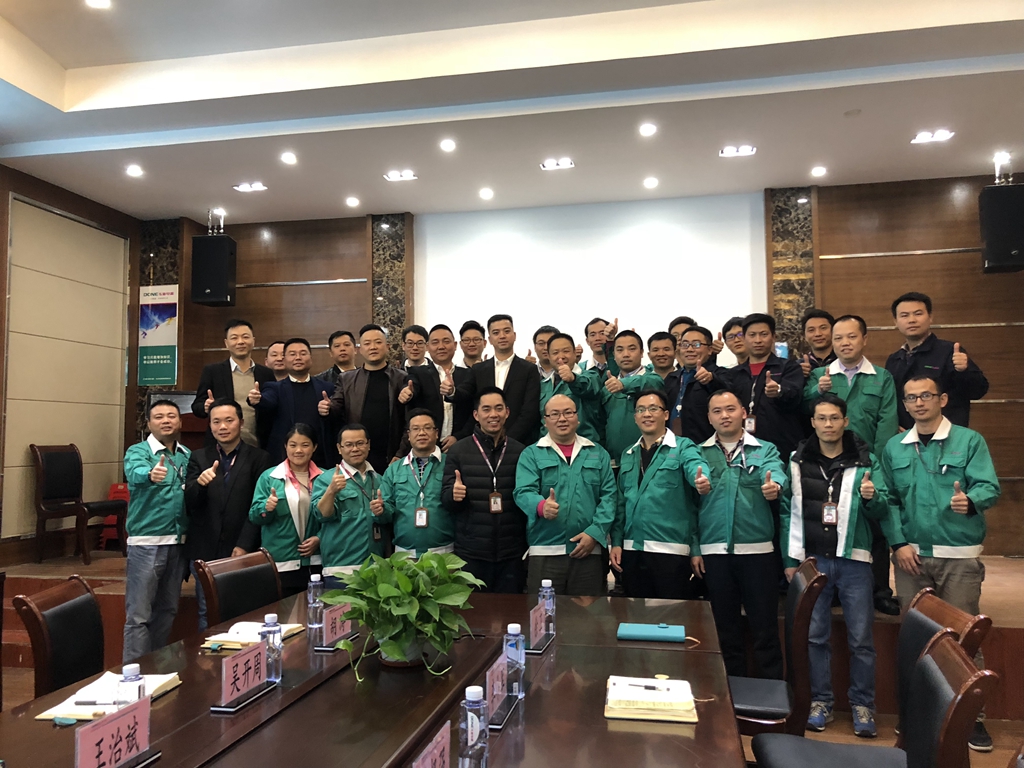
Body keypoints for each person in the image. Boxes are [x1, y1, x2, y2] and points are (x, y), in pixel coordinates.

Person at [881, 375, 1001, 752]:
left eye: (926, 396)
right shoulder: (895, 447)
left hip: (958, 556)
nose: (918, 403)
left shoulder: (969, 440)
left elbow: (989, 486)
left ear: (942, 399)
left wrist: (972, 500)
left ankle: (971, 720)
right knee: (915, 640)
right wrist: (898, 543)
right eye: (911, 398)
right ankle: (915, 715)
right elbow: (888, 499)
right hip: (911, 558)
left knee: (963, 639)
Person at [781, 393, 890, 738]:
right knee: (815, 638)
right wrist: (790, 560)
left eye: (834, 418)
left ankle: (863, 705)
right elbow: (787, 511)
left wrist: (873, 498)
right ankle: (821, 702)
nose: (828, 424)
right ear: (813, 422)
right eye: (821, 418)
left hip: (854, 561)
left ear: (845, 421)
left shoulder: (866, 460)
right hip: (813, 560)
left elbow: (882, 509)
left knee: (861, 640)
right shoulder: (797, 460)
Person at [804, 314, 901, 615]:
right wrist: (817, 391)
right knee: (831, 525)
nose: (844, 343)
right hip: (829, 464)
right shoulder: (820, 375)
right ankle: (833, 588)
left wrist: (875, 464)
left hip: (865, 463)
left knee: (873, 526)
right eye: (838, 338)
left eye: (851, 336)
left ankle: (880, 590)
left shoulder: (881, 377)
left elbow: (887, 424)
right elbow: (806, 412)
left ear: (864, 339)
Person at [690, 390, 786, 679]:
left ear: (743, 412)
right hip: (714, 553)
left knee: (765, 629)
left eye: (730, 409)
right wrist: (695, 548)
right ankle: (731, 692)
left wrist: (774, 486)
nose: (725, 415)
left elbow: (775, 472)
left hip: (757, 553)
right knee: (725, 630)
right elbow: (689, 508)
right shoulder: (697, 453)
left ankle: (771, 694)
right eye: (717, 411)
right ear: (709, 418)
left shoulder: (764, 449)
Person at [184, 398, 273, 630]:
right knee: (207, 612)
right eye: (216, 422)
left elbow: (258, 505)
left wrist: (244, 544)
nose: (222, 426)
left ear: (241, 423)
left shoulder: (259, 458)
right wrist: (199, 484)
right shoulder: (198, 457)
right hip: (205, 549)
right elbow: (190, 503)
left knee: (243, 612)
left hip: (241, 550)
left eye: (229, 420)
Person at [514, 394, 617, 595]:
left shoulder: (597, 453)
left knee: (589, 613)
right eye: (554, 414)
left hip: (589, 551)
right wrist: (541, 506)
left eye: (568, 413)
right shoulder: (531, 454)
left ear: (578, 418)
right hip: (546, 550)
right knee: (545, 612)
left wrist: (595, 533)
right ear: (545, 421)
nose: (562, 419)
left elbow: (609, 497)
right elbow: (523, 491)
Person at [609, 390, 704, 599]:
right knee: (634, 614)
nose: (647, 414)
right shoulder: (629, 454)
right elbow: (621, 504)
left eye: (653, 408)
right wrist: (616, 541)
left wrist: (701, 479)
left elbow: (696, 469)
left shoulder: (683, 447)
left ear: (666, 414)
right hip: (632, 550)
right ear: (635, 417)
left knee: (671, 614)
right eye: (641, 410)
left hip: (670, 551)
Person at [122, 400, 191, 662]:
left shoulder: (186, 454)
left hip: (178, 542)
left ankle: (155, 667)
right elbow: (134, 472)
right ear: (149, 423)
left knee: (168, 609)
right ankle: (134, 672)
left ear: (180, 422)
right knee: (139, 616)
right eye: (159, 416)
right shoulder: (138, 451)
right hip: (146, 543)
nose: (166, 420)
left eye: (171, 416)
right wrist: (150, 474)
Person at [440, 387, 528, 593]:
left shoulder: (521, 451)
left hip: (511, 552)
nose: (493, 414)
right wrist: (454, 496)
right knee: (475, 611)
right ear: (476, 415)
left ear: (507, 412)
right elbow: (445, 499)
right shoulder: (459, 451)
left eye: (498, 408)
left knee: (511, 610)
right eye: (486, 409)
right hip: (471, 552)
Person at [885, 291, 989, 429]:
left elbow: (978, 391)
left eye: (918, 314)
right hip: (907, 436)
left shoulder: (949, 351)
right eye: (904, 315)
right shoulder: (894, 360)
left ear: (930, 317)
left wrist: (964, 371)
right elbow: (891, 402)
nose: (912, 320)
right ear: (895, 321)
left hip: (947, 435)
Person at [719, 313, 806, 463]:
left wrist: (779, 391)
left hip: (782, 446)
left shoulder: (788, 367)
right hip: (743, 447)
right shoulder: (734, 374)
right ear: (745, 338)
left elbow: (795, 396)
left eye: (764, 334)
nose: (758, 340)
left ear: (773, 337)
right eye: (752, 335)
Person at [249, 423, 323, 596]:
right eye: (293, 445)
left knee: (315, 609)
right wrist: (266, 508)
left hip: (316, 560)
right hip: (282, 561)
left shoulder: (324, 478)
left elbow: (334, 519)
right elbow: (254, 516)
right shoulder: (269, 477)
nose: (298, 450)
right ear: (285, 446)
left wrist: (320, 538)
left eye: (305, 445)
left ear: (314, 447)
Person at [571, 330, 664, 465]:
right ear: (614, 355)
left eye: (632, 349)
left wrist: (623, 384)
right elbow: (601, 425)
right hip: (617, 462)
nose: (626, 354)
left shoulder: (652, 379)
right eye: (620, 350)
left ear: (642, 352)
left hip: (653, 459)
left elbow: (649, 382)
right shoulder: (607, 388)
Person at [328, 323, 410, 473]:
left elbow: (408, 420)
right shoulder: (346, 379)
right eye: (367, 343)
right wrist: (327, 408)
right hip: (357, 454)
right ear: (359, 349)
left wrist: (401, 453)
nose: (373, 347)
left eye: (378, 342)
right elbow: (336, 412)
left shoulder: (401, 378)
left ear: (387, 347)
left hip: (392, 456)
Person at [452, 314, 542, 444]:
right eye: (496, 333)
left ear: (514, 335)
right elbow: (465, 394)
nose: (502, 336)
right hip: (483, 442)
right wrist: (451, 391)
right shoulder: (479, 369)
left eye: (507, 331)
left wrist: (507, 441)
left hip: (519, 443)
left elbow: (529, 411)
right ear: (489, 339)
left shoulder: (529, 369)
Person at [312, 424, 385, 583]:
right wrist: (331, 491)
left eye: (360, 443)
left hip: (376, 567)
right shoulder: (326, 479)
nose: (355, 449)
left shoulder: (379, 479)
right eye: (349, 445)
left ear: (368, 445)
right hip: (341, 569)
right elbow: (322, 515)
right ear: (339, 448)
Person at [248, 338, 336, 467]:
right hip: (285, 459)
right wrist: (257, 400)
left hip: (321, 459)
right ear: (285, 360)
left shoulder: (327, 388)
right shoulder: (275, 388)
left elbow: (338, 418)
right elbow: (267, 401)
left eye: (303, 353)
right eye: (292, 354)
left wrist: (330, 409)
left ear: (311, 358)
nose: (298, 358)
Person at [378, 409, 455, 558]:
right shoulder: (394, 469)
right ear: (409, 435)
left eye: (427, 428)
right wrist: (380, 510)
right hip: (404, 555)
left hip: (444, 553)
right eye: (416, 429)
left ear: (436, 433)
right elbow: (386, 511)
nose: (421, 433)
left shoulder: (451, 464)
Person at [191, 319, 275, 448]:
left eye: (245, 337)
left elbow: (273, 407)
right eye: (234, 338)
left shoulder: (266, 374)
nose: (240, 342)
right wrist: (205, 407)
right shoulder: (213, 371)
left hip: (258, 445)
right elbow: (197, 407)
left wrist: (261, 401)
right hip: (221, 447)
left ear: (253, 341)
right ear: (226, 343)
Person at [540, 333, 600, 443]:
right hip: (549, 447)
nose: (561, 356)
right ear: (548, 356)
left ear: (575, 353)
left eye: (566, 351)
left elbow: (587, 387)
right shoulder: (542, 385)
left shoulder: (591, 376)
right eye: (555, 353)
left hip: (585, 445)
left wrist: (573, 379)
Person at [664, 325, 719, 444]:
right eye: (685, 344)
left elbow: (724, 387)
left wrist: (711, 379)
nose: (689, 349)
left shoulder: (719, 374)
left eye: (696, 344)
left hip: (706, 446)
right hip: (673, 447)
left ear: (710, 350)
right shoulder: (671, 378)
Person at [424, 324, 473, 450]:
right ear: (427, 347)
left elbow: (473, 410)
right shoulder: (418, 374)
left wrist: (458, 437)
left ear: (455, 345)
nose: (441, 346)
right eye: (435, 342)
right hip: (427, 445)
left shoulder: (468, 374)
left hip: (461, 446)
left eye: (446, 341)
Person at [799, 309, 837, 378]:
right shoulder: (798, 366)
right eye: (811, 330)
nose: (818, 334)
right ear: (804, 336)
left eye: (823, 328)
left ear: (834, 331)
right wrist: (798, 376)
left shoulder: (844, 361)